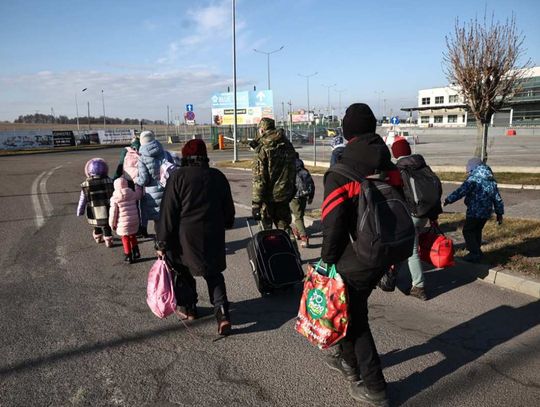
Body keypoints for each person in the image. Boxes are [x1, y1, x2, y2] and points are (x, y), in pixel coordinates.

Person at [321, 103, 397, 407]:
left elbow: (334, 225)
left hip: (356, 257)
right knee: (353, 310)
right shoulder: (389, 165)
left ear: (346, 131)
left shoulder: (341, 172)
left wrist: (326, 262)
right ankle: (346, 360)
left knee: (355, 320)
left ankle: (374, 388)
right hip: (385, 251)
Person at [155, 139, 235, 335]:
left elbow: (168, 212)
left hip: (184, 236)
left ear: (185, 156)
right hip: (213, 233)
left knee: (182, 271)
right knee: (214, 274)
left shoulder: (178, 177)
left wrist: (162, 242)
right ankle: (223, 313)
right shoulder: (217, 176)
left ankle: (190, 309)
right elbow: (228, 209)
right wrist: (227, 223)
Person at [391, 137, 443, 301]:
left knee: (411, 250)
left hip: (411, 214)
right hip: (425, 213)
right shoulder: (421, 165)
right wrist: (433, 216)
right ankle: (393, 272)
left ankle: (418, 286)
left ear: (395, 153)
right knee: (405, 245)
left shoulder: (398, 169)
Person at [444, 157, 504, 263]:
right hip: (486, 212)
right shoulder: (491, 180)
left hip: (474, 211)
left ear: (472, 168)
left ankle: (474, 253)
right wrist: (499, 213)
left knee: (468, 231)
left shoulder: (473, 179)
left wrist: (449, 199)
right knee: (477, 230)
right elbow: (497, 198)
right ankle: (478, 251)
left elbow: (461, 191)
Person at [251, 117, 297, 233]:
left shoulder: (263, 148)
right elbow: (293, 168)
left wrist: (256, 203)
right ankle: (291, 250)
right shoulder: (287, 145)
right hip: (285, 194)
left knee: (266, 232)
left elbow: (259, 178)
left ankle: (271, 251)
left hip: (268, 198)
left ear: (262, 130)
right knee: (285, 228)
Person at [136, 130, 173, 238]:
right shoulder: (165, 153)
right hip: (166, 190)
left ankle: (160, 243)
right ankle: (166, 242)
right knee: (164, 219)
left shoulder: (142, 158)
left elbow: (144, 180)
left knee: (153, 218)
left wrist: (135, 180)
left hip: (151, 194)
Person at [77, 158, 114, 247]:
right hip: (107, 208)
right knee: (106, 224)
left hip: (93, 210)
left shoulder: (86, 184)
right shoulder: (109, 181)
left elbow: (83, 199)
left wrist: (80, 210)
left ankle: (98, 236)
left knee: (96, 224)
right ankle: (108, 238)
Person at [109, 177, 143, 263]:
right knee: (132, 235)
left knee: (125, 238)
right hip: (134, 220)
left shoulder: (115, 198)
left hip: (122, 223)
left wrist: (112, 224)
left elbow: (113, 213)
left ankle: (128, 255)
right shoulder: (132, 193)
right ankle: (136, 252)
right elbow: (139, 195)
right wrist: (137, 186)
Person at [290, 152, 315, 247]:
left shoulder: (290, 169)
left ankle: (304, 237)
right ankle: (297, 232)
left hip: (294, 196)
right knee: (300, 214)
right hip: (304, 196)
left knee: (298, 217)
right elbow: (312, 184)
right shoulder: (304, 170)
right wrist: (311, 197)